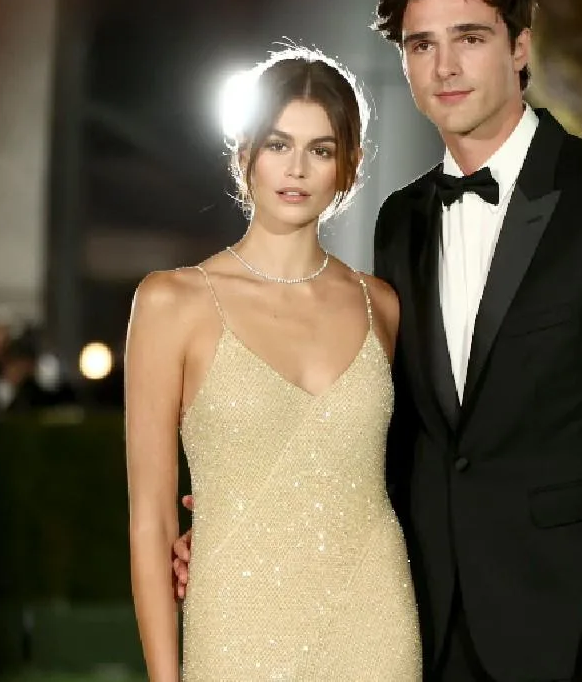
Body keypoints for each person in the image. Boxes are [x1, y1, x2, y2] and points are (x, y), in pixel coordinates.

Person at [173, 0, 582, 681]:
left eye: (470, 39)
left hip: (568, 636)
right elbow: (400, 433)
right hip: (416, 627)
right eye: (423, 44)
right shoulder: (402, 220)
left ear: (520, 49)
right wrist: (256, 521)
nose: (444, 66)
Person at [124, 47, 421, 681]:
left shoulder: (384, 308)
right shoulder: (171, 302)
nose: (297, 168)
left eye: (321, 149)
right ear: (245, 153)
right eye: (279, 144)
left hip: (375, 621)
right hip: (235, 622)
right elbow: (151, 518)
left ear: (348, 167)